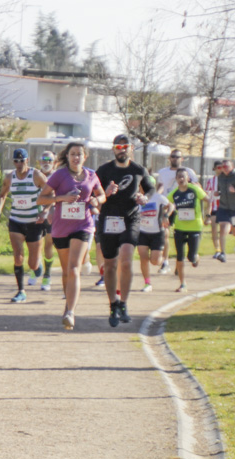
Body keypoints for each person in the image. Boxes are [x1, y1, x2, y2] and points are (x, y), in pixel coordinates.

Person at [38, 141, 104, 330]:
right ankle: (68, 305)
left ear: (85, 157)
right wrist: (61, 198)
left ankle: (70, 311)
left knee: (74, 267)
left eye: (79, 154)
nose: (76, 157)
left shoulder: (91, 175)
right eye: (72, 154)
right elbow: (41, 198)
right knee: (67, 270)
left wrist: (96, 199)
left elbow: (102, 196)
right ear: (67, 156)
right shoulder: (59, 175)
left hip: (83, 225)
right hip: (61, 228)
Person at [96, 134, 154, 327]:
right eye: (118, 147)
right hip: (109, 219)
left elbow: (150, 189)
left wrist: (144, 198)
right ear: (113, 149)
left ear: (131, 149)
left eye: (125, 146)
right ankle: (113, 303)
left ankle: (124, 303)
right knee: (110, 265)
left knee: (127, 260)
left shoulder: (138, 170)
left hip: (130, 217)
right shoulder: (104, 170)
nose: (122, 150)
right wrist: (106, 193)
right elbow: (93, 194)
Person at [0, 147, 48, 303]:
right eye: (16, 161)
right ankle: (21, 291)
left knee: (32, 263)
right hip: (16, 221)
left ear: (27, 161)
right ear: (13, 162)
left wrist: (45, 211)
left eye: (22, 161)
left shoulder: (37, 176)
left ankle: (37, 267)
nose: (19, 164)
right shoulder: (9, 177)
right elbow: (2, 195)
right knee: (18, 256)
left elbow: (51, 194)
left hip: (34, 222)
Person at [154, 149, 198, 274]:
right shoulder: (163, 172)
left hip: (185, 206)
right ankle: (166, 262)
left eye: (177, 157)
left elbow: (197, 187)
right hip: (169, 205)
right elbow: (161, 186)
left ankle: (193, 255)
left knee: (186, 235)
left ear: (182, 158)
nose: (175, 159)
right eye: (172, 156)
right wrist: (157, 197)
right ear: (169, 158)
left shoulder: (189, 172)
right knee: (165, 233)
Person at [168, 168, 209, 292]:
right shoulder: (174, 193)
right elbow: (167, 205)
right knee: (179, 256)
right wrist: (165, 216)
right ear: (176, 179)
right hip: (179, 227)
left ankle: (195, 257)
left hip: (195, 227)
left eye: (183, 177)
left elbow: (208, 200)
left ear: (188, 178)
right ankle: (182, 284)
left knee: (191, 257)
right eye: (179, 177)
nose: (181, 179)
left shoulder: (194, 189)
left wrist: (207, 216)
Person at [136, 176, 169, 293]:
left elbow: (170, 205)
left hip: (156, 232)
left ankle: (164, 259)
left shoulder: (158, 198)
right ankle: (147, 282)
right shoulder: (137, 198)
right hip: (142, 232)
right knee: (143, 258)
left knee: (155, 261)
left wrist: (166, 215)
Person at [35, 150, 59, 291]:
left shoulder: (58, 176)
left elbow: (57, 195)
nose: (46, 163)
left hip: (52, 213)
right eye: (44, 160)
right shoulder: (35, 175)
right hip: (35, 214)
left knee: (48, 243)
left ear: (54, 163)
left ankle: (47, 275)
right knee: (35, 243)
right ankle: (36, 266)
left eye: (49, 160)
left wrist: (48, 210)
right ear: (39, 162)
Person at [202, 161, 223, 258]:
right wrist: (208, 216)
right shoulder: (211, 181)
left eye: (222, 167)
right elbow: (208, 198)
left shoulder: (228, 179)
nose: (220, 169)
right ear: (214, 169)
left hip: (225, 208)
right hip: (215, 207)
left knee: (224, 229)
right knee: (214, 229)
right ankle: (217, 250)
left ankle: (224, 248)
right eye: (218, 167)